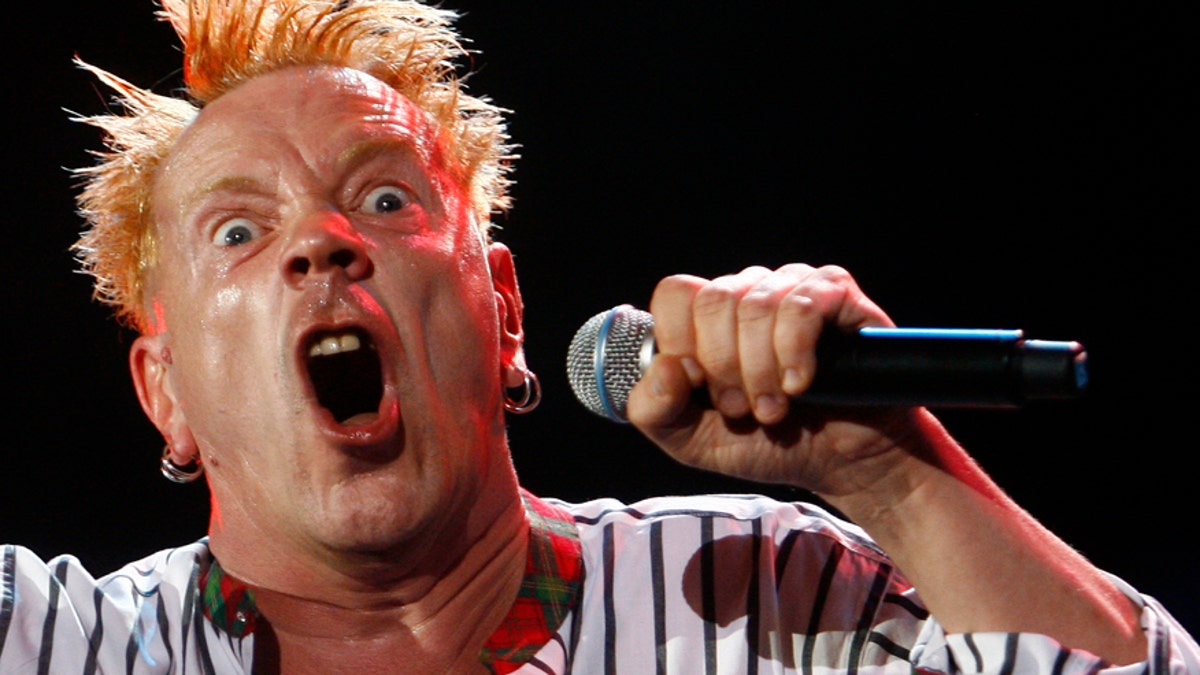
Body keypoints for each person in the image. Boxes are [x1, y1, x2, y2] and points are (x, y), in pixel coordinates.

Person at [1, 0, 1196, 673]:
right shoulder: (64, 646)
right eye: (239, 233)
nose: (321, 248)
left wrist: (884, 466)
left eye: (382, 202)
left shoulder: (763, 593)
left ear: (505, 314)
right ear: (166, 393)